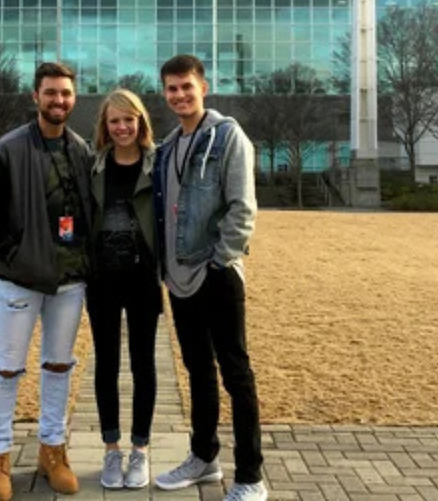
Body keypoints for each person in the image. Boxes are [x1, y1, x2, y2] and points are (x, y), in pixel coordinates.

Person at [0, 62, 93, 501]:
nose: (59, 100)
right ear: (35, 96)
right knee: (7, 368)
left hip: (69, 281)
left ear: (74, 98)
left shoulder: (80, 150)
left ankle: (52, 451)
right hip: (20, 282)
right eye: (51, 92)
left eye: (66, 93)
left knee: (59, 366)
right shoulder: (7, 150)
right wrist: (14, 260)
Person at [151, 54, 267, 501]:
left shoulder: (228, 136)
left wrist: (220, 261)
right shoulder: (167, 147)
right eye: (172, 88)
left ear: (203, 87)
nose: (180, 95)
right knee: (198, 370)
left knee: (236, 374)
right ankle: (204, 458)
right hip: (179, 279)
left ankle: (251, 476)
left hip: (217, 275)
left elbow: (243, 207)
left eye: (187, 86)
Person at [86, 89, 162, 490]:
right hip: (102, 280)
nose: (122, 127)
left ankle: (140, 449)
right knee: (106, 364)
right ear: (105, 125)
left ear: (140, 121)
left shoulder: (158, 164)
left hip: (143, 279)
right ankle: (111, 448)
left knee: (143, 363)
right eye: (114, 121)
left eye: (128, 120)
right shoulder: (94, 166)